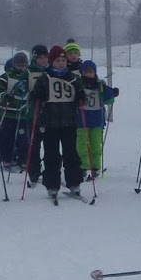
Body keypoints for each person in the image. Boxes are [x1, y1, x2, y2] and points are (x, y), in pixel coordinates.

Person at [31, 45, 84, 198]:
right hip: (50, 123)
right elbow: (34, 97)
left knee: (71, 154)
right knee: (51, 155)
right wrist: (37, 97)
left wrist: (81, 97)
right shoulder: (44, 78)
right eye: (57, 61)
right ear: (52, 62)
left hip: (69, 122)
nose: (61, 64)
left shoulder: (73, 78)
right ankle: (52, 185)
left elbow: (81, 96)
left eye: (63, 61)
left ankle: (74, 183)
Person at [75, 59, 119, 179]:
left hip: (96, 120)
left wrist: (112, 93)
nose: (89, 74)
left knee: (95, 144)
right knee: (82, 144)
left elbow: (108, 100)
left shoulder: (100, 85)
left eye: (91, 71)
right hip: (81, 120)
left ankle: (95, 166)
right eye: (86, 72)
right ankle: (83, 166)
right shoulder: (78, 84)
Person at [0, 53, 30, 171]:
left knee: (23, 138)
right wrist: (4, 96)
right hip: (8, 113)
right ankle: (7, 159)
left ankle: (23, 159)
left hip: (22, 113)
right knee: (7, 138)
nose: (21, 68)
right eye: (19, 65)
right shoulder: (7, 76)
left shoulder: (28, 76)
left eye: (23, 65)